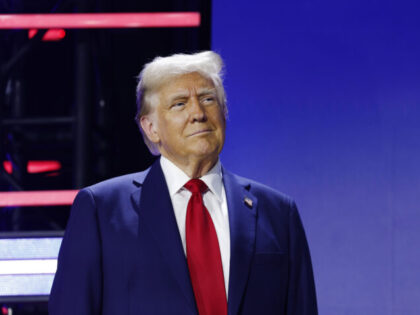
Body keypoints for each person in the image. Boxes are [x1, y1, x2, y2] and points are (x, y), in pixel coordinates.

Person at [49, 51, 318, 315]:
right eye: (179, 103)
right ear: (151, 128)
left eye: (208, 99)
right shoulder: (101, 211)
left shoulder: (279, 214)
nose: (198, 113)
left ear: (224, 113)